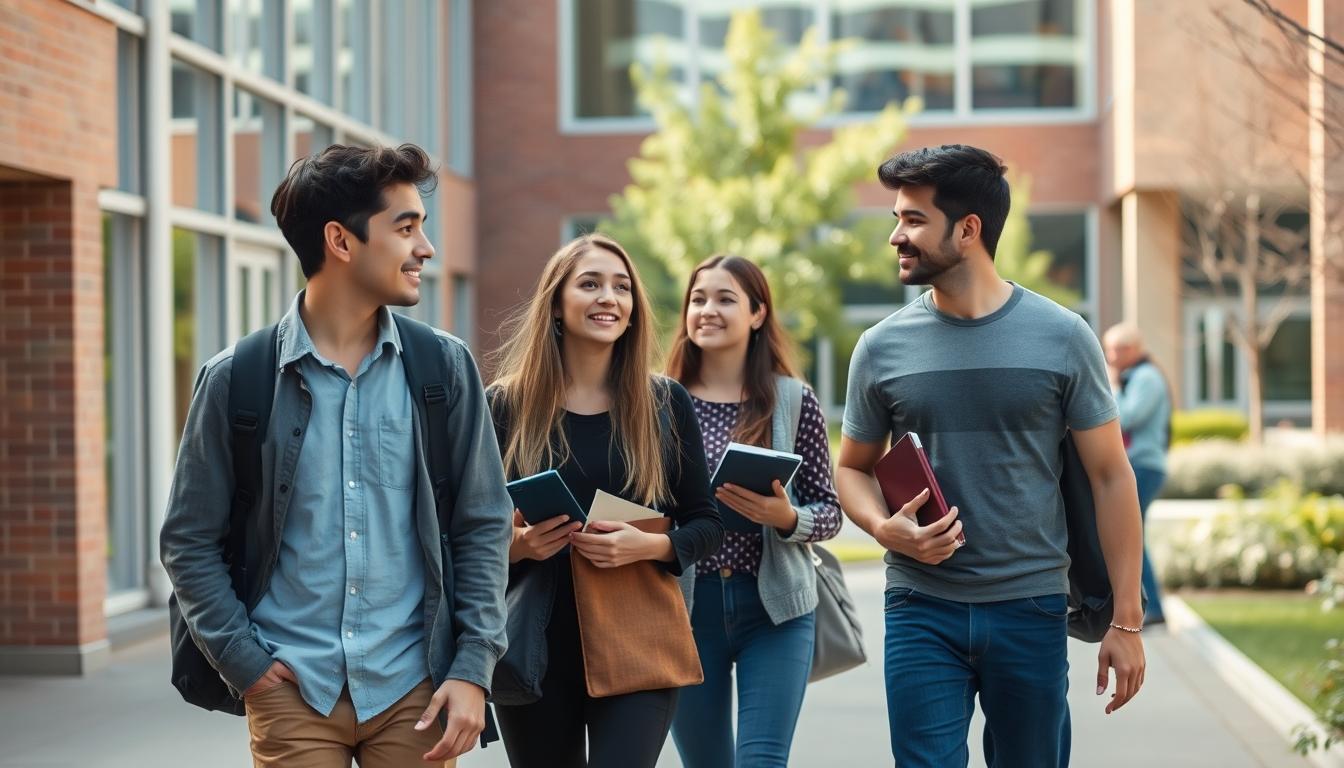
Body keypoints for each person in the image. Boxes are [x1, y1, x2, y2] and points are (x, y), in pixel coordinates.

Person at [160, 144, 513, 767]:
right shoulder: (236, 379)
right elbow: (188, 539)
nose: (425, 249)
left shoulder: (444, 369)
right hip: (293, 686)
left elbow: (483, 525)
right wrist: (246, 664)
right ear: (340, 242)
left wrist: (473, 666)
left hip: (416, 688)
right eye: (405, 228)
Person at [835, 144, 1147, 767]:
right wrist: (882, 528)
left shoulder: (1064, 336)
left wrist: (1128, 620)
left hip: (1029, 607)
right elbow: (851, 467)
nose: (896, 235)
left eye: (914, 219)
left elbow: (1111, 477)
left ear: (969, 229)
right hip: (920, 608)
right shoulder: (880, 348)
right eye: (897, 218)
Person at [488, 233, 724, 768]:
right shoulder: (504, 405)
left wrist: (649, 548)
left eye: (621, 287)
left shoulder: (664, 401)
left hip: (638, 635)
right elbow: (463, 530)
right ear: (555, 302)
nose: (609, 298)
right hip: (534, 644)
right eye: (589, 284)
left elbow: (705, 523)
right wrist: (519, 546)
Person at [666, 255, 843, 768]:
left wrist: (785, 517)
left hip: (777, 610)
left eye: (725, 299)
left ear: (758, 314)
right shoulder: (658, 398)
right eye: (698, 299)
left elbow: (828, 510)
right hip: (686, 610)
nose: (707, 310)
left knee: (761, 761)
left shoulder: (794, 400)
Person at [1103, 322, 1172, 626]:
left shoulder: (1146, 378)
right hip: (1136, 465)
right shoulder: (1133, 377)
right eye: (1109, 349)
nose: (1112, 356)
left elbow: (1125, 418)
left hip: (1142, 466)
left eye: (1118, 349)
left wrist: (1112, 386)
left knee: (1130, 537)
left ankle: (1153, 608)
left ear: (1135, 349)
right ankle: (1149, 606)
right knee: (1131, 536)